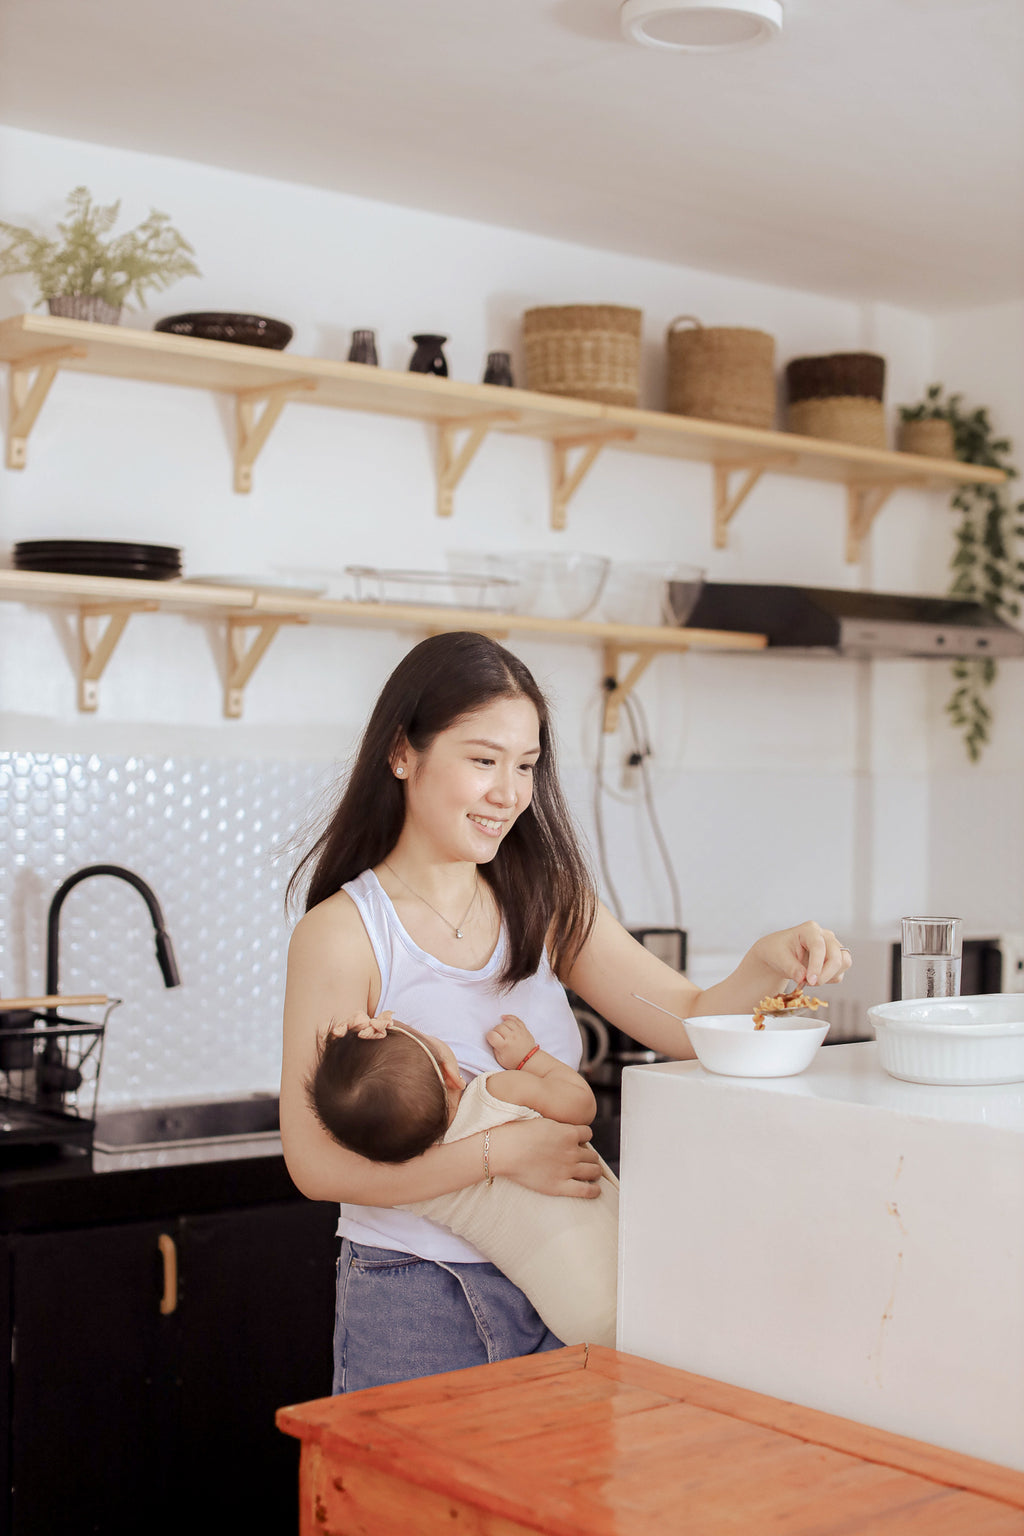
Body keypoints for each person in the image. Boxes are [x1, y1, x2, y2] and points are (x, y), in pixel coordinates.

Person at [281, 630, 851, 1394]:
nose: (510, 794)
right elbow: (315, 1164)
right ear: (401, 752)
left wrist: (765, 964)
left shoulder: (544, 898)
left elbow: (684, 1021)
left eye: (525, 765)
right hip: (420, 1295)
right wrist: (501, 1155)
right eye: (483, 760)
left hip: (568, 1289)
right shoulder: (347, 932)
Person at [306, 1008, 619, 1347]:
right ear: (450, 1075)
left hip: (578, 1320)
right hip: (625, 1268)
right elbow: (581, 1104)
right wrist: (530, 1057)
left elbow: (351, 1137)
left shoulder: (414, 1188)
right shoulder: (497, 1094)